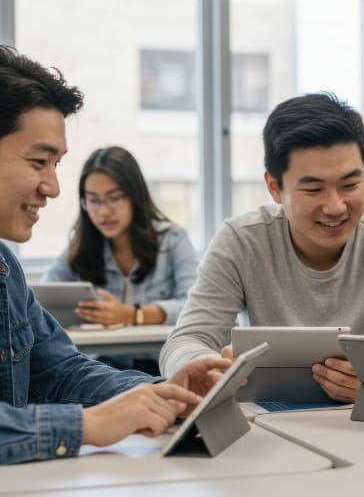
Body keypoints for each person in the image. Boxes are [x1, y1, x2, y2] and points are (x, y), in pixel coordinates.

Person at [0, 45, 230, 465]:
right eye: (38, 162)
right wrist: (86, 426)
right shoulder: (78, 247)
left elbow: (60, 369)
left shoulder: (4, 267)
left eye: (56, 165)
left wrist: (159, 392)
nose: (52, 188)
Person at [159, 92, 364, 402]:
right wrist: (202, 369)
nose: (335, 206)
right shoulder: (242, 240)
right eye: (313, 189)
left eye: (350, 185)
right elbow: (186, 339)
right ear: (274, 188)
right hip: (265, 419)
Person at [43, 145, 198, 328]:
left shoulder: (173, 240)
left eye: (115, 198)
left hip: (159, 355)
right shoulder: (81, 246)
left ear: (135, 196)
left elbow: (196, 308)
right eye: (93, 200)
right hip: (99, 356)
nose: (104, 211)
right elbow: (40, 301)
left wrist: (131, 314)